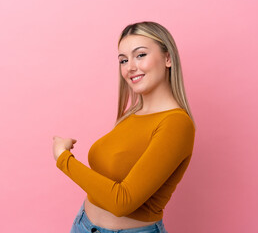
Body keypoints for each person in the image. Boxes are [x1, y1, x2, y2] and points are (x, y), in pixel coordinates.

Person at [52, 21, 196, 233]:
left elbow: (122, 202)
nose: (130, 67)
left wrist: (63, 158)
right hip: (83, 225)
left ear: (168, 58)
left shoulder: (176, 123)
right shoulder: (131, 115)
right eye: (123, 60)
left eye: (140, 55)